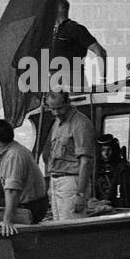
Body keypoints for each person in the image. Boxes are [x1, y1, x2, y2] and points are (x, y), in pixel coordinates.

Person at [42, 89, 95, 219]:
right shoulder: (57, 122)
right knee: (57, 225)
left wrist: (80, 194)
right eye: (52, 109)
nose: (56, 113)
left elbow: (86, 161)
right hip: (56, 181)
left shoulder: (80, 123)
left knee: (70, 225)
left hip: (72, 183)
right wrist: (51, 184)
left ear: (68, 103)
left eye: (59, 108)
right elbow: (50, 155)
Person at [51, 0, 107, 92]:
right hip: (54, 79)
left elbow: (101, 52)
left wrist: (103, 79)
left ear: (56, 10)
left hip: (72, 80)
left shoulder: (75, 29)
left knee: (74, 105)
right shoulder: (53, 31)